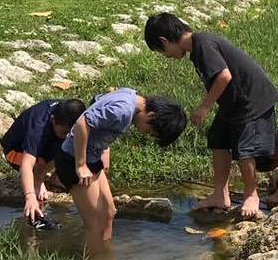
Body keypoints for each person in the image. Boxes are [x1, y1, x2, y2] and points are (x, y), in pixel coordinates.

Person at [143, 13, 278, 219]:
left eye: (161, 51)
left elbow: (224, 76)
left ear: (164, 41)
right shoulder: (196, 48)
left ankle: (251, 194)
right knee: (218, 137)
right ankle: (220, 195)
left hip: (251, 100)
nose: (166, 56)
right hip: (233, 103)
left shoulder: (202, 45)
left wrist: (204, 107)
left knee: (245, 149)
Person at [56, 89, 187, 251]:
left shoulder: (130, 95)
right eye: (150, 132)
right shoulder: (123, 110)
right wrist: (81, 165)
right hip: (73, 160)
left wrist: (104, 149)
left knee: (109, 212)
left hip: (92, 158)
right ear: (151, 115)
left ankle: (105, 252)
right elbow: (82, 123)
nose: (145, 134)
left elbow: (97, 101)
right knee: (95, 223)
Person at [0, 98, 86, 223]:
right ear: (52, 119)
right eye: (64, 132)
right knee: (63, 146)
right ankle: (38, 178)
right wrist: (30, 197)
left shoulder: (72, 116)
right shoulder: (38, 127)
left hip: (44, 149)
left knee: (74, 142)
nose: (67, 136)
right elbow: (26, 164)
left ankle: (55, 177)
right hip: (15, 152)